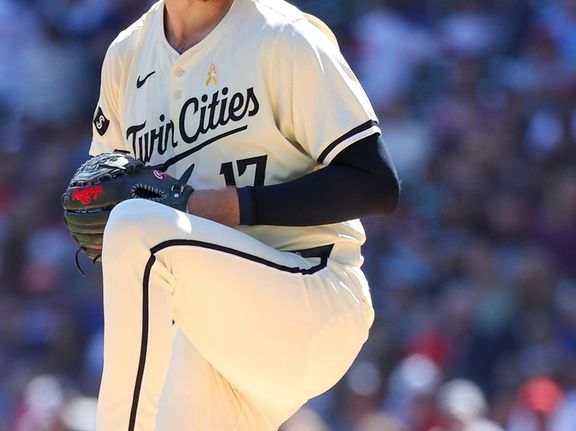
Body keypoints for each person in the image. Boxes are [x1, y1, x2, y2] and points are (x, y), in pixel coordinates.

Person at [86, 0, 399, 429]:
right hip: (214, 338)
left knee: (138, 228)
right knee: (131, 227)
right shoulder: (128, 55)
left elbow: (376, 183)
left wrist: (232, 206)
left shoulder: (282, 35)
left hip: (311, 295)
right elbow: (106, 195)